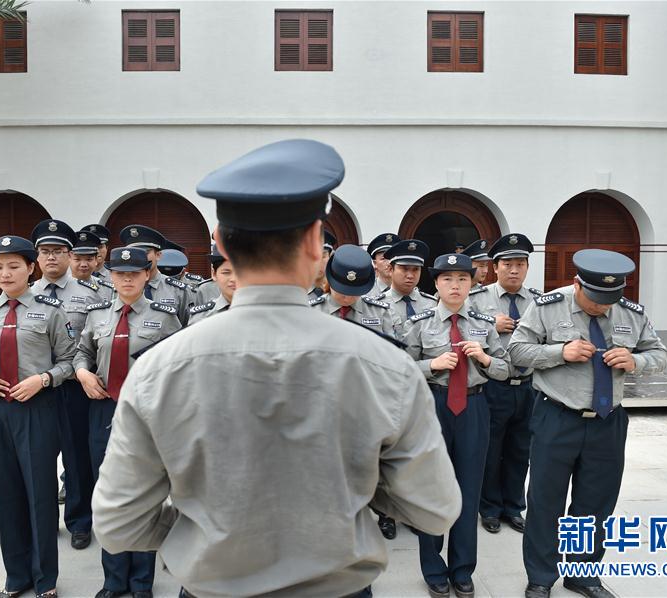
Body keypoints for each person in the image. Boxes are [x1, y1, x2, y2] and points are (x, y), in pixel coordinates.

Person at [91, 138, 461, 597]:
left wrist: (202, 530)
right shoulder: (387, 366)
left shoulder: (158, 369)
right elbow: (434, 509)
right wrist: (353, 495)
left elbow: (117, 521)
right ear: (315, 245)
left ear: (222, 244)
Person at [509, 249, 667, 598]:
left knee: (596, 503)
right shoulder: (549, 306)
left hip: (607, 422)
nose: (602, 307)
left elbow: (659, 355)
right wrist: (558, 353)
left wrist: (635, 360)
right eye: (596, 299)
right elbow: (517, 351)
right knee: (545, 501)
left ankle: (583, 575)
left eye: (610, 300)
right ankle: (540, 576)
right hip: (557, 416)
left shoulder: (630, 311)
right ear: (578, 284)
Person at [0, 235, 76, 598]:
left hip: (36, 409)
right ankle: (16, 577)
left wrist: (42, 380)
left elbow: (70, 362)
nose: (5, 273)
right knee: (5, 492)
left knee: (40, 494)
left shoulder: (50, 311)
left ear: (31, 268)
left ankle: (45, 581)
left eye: (13, 266)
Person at [74, 246, 182, 598]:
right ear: (112, 276)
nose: (126, 279)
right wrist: (82, 374)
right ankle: (113, 579)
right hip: (103, 410)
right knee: (109, 493)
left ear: (147, 275)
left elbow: (178, 366)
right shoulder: (97, 316)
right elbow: (82, 353)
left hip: (146, 415)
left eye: (134, 273)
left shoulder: (164, 318)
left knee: (146, 494)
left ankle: (141, 583)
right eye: (120, 273)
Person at [402, 252, 510, 598]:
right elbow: (399, 369)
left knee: (468, 488)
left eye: (462, 279)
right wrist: (431, 364)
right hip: (433, 405)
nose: (455, 285)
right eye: (447, 279)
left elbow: (507, 369)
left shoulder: (483, 323)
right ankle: (433, 568)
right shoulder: (419, 322)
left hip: (475, 406)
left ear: (472, 283)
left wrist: (485, 357)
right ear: (435, 284)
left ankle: (462, 569)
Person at [29, 219, 102, 551]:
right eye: (45, 251)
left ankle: (79, 522)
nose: (52, 258)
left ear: (70, 255)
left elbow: (94, 343)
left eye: (58, 251)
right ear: (37, 257)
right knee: (38, 460)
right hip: (35, 391)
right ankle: (43, 522)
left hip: (73, 389)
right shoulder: (25, 295)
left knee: (76, 460)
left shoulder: (90, 295)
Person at [467, 234, 541, 536]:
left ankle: (514, 506)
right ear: (495, 267)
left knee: (520, 449)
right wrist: (489, 324)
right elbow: (465, 332)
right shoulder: (477, 299)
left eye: (520, 264)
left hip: (528, 385)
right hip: (492, 385)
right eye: (508, 264)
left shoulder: (539, 300)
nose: (514, 270)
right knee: (491, 448)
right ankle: (490, 507)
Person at [310, 244, 404, 340]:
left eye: (353, 292)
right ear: (331, 281)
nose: (347, 297)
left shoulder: (379, 312)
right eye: (342, 291)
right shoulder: (311, 311)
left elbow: (389, 349)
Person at [118, 224, 196, 324]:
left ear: (158, 255)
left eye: (145, 253)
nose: (140, 258)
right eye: (135, 253)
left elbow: (188, 328)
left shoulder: (178, 290)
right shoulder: (119, 288)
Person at [381, 239, 438, 319]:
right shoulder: (379, 305)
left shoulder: (431, 303)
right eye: (405, 269)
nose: (410, 276)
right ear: (390, 269)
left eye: (415, 269)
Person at [187, 244, 236, 325]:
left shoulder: (262, 313)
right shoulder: (201, 317)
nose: (233, 279)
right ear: (214, 274)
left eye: (240, 273)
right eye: (226, 273)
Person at [72, 230, 115, 298]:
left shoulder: (107, 288)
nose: (83, 264)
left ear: (95, 260)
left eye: (89, 259)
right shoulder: (57, 286)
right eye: (77, 259)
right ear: (69, 258)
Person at [308, 229, 336, 300]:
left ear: (330, 257)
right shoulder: (296, 293)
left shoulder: (339, 293)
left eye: (323, 256)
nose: (317, 262)